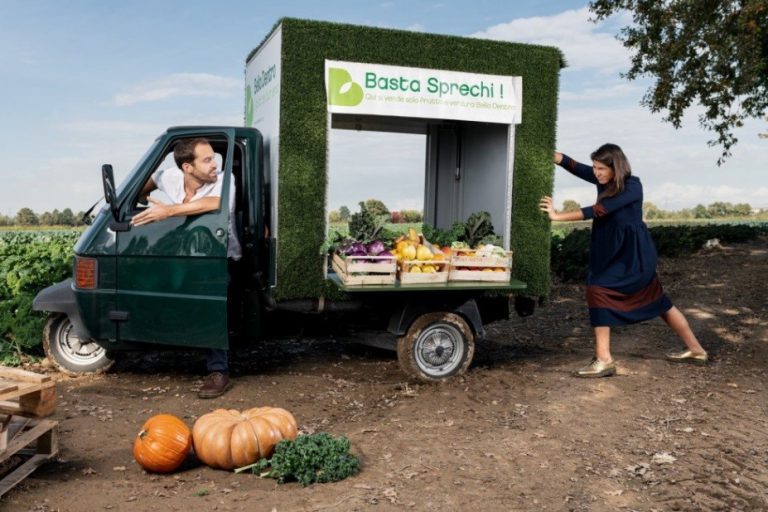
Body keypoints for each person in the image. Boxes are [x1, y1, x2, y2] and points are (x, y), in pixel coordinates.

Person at [539, 143, 707, 378]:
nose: (596, 173)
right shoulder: (604, 179)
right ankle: (696, 350)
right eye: (595, 167)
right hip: (611, 251)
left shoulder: (632, 186)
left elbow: (599, 210)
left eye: (601, 168)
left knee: (599, 290)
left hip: (633, 255)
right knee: (659, 302)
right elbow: (574, 166)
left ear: (615, 167)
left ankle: (604, 360)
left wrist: (557, 216)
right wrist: (552, 155)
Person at [132, 137, 241, 397]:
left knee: (210, 304)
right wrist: (141, 196)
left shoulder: (225, 179)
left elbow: (215, 203)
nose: (215, 164)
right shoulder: (170, 177)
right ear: (187, 168)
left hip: (220, 255)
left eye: (214, 158)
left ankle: (218, 370)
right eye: (207, 160)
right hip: (189, 253)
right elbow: (147, 182)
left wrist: (169, 211)